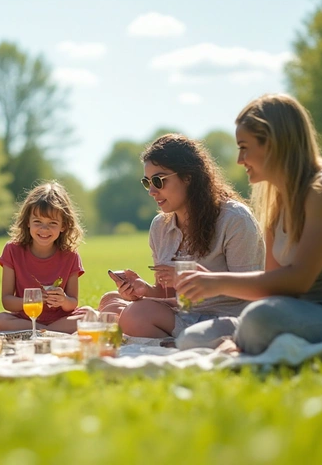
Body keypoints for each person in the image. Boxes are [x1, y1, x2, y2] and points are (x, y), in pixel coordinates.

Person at [176, 94, 322, 354]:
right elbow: (273, 284)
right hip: (293, 312)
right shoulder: (278, 198)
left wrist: (217, 282)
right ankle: (246, 343)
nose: (240, 160)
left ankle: (244, 344)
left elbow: (299, 281)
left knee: (260, 320)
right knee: (192, 338)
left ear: (273, 144)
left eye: (244, 146)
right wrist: (209, 282)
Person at [99, 134, 265, 347]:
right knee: (109, 301)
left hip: (227, 318)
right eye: (146, 182)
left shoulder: (234, 219)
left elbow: (253, 291)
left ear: (188, 177)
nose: (151, 191)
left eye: (159, 180)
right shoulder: (160, 226)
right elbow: (169, 294)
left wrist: (199, 280)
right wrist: (145, 290)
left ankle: (182, 341)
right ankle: (170, 339)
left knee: (133, 315)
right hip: (184, 313)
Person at [0, 181, 89, 334]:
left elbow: (73, 303)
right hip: (25, 319)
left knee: (90, 315)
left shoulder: (70, 255)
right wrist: (33, 300)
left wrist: (63, 300)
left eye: (52, 223)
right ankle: (48, 332)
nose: (44, 229)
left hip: (61, 320)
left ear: (64, 226)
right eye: (38, 221)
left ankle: (40, 331)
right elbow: (7, 302)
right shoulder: (12, 250)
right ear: (28, 222)